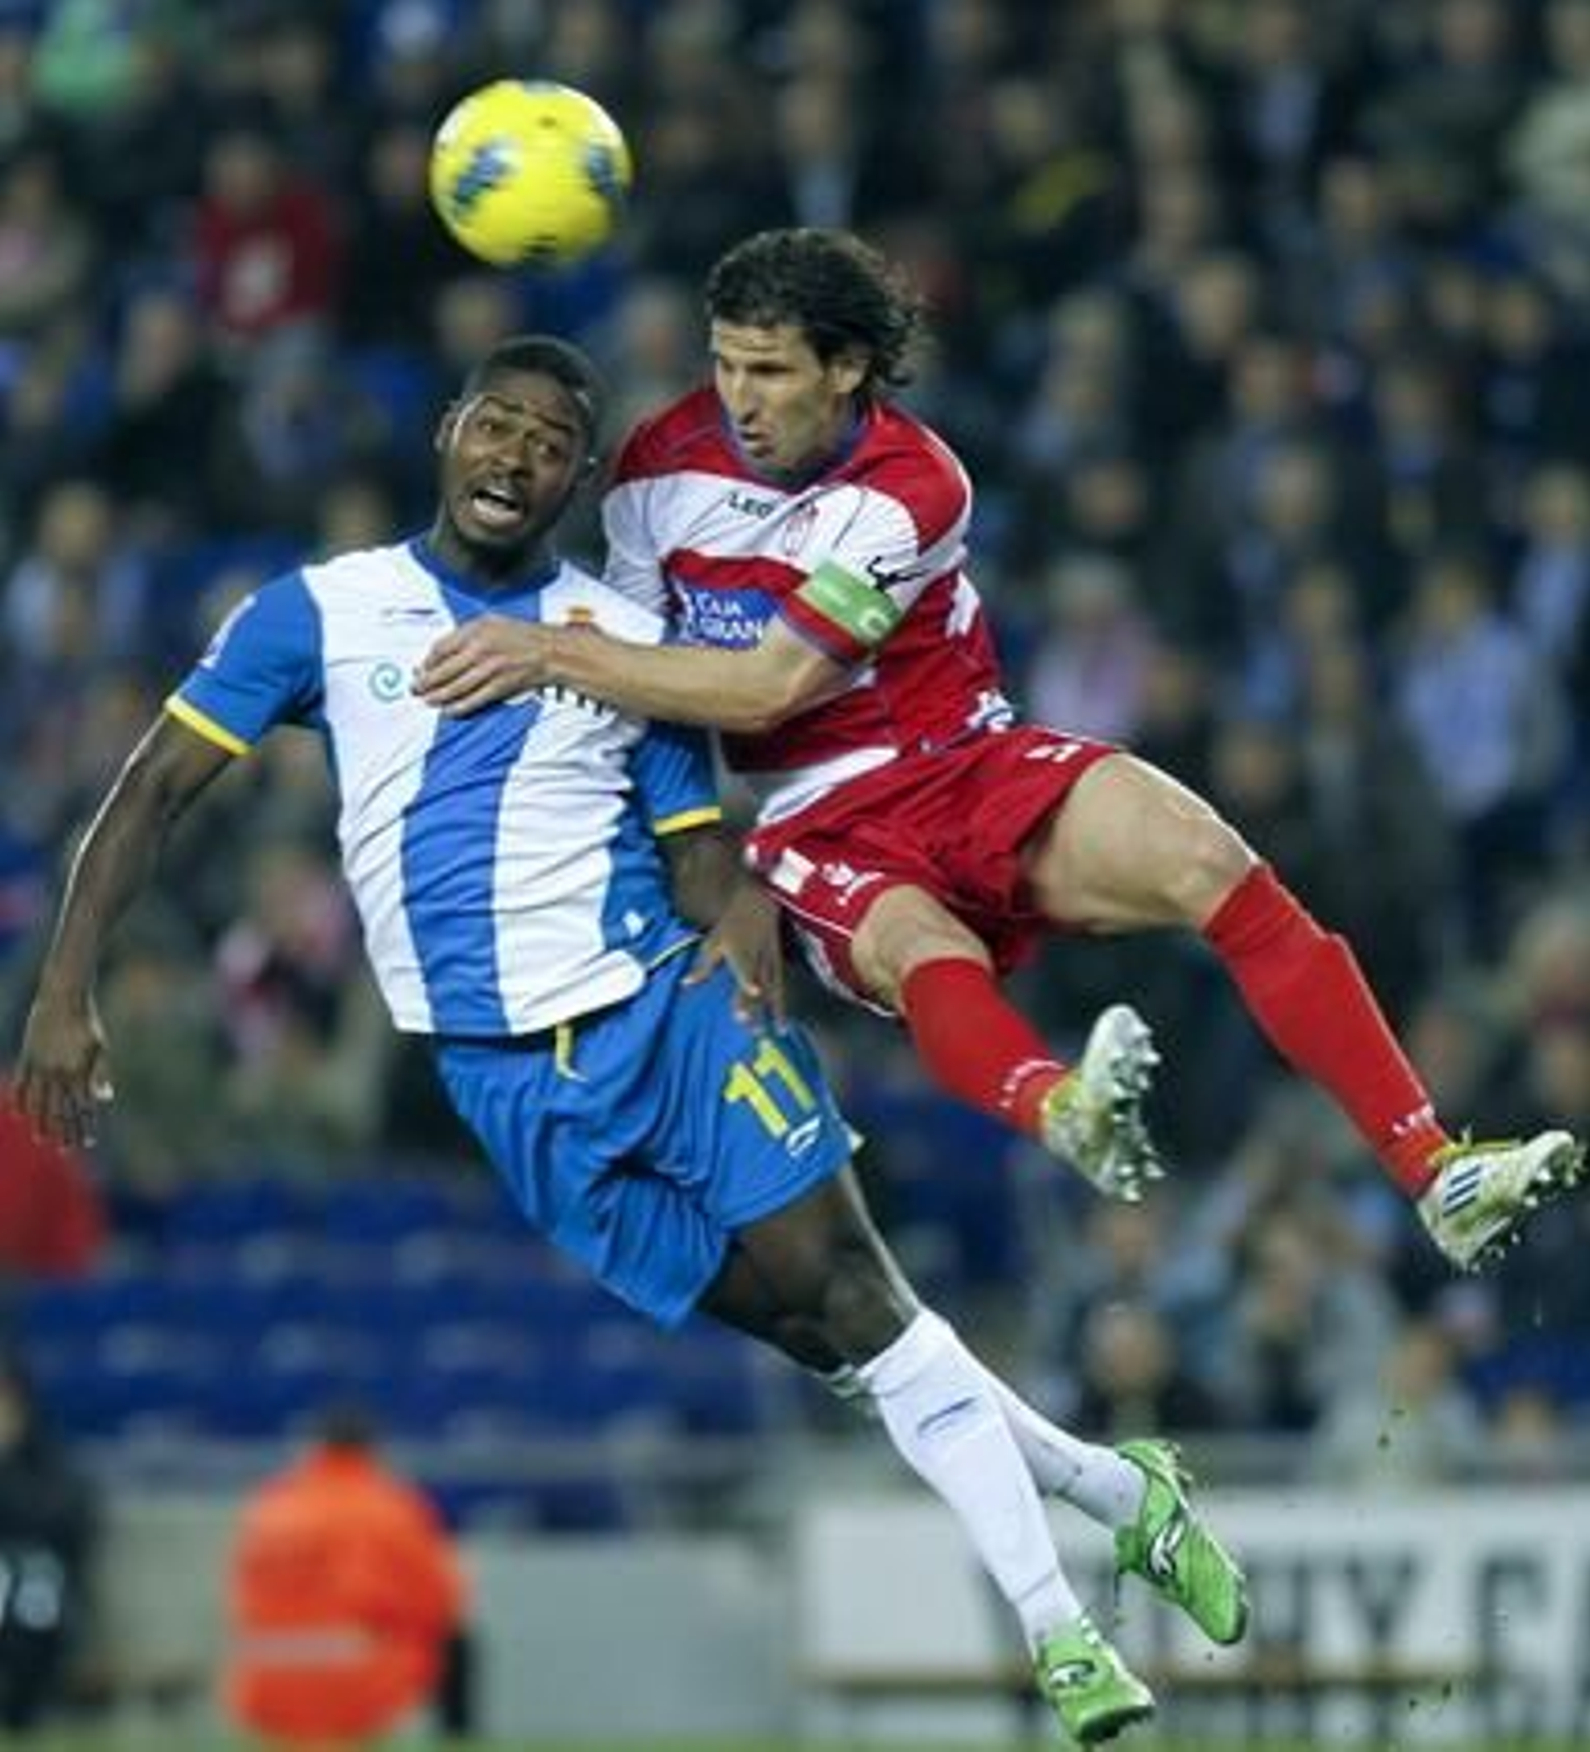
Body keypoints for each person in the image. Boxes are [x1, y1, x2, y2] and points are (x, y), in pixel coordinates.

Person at [15, 334, 1247, 1744]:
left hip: (664, 1012)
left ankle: (1063, 1635)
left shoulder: (623, 645)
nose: (518, 456)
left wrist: (737, 922)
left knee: (856, 1296)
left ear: (577, 479)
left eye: (551, 443)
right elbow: (153, 787)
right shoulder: (318, 614)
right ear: (449, 434)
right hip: (500, 1081)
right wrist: (66, 985)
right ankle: (1119, 1490)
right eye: (499, 425)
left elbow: (697, 851)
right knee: (837, 1340)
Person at [412, 227, 1588, 1273]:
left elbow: (768, 681)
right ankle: (1060, 1107)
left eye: (769, 370)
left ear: (848, 369)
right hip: (814, 814)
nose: (739, 397)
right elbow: (644, 683)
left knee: (1213, 863)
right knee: (923, 941)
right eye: (724, 363)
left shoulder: (913, 487)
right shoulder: (657, 473)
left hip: (969, 757)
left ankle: (1433, 1171)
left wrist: (548, 654)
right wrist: (696, 862)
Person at [223, 1403, 467, 1752]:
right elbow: (440, 1601)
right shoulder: (386, 1506)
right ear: (372, 1450)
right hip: (351, 1676)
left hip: (262, 1676)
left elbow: (239, 1594)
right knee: (450, 1644)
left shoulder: (271, 1506)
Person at [0, 1351, 97, 1731]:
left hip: (29, 1581)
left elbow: (68, 1521)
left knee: (34, 1589)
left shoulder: (47, 1460)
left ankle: (22, 1710)